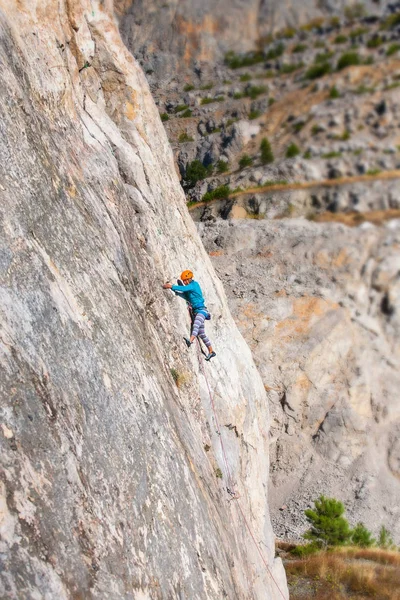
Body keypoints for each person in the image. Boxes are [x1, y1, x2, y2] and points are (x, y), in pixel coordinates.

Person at [163, 270, 216, 361]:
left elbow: (183, 289)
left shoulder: (194, 285)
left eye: (185, 280)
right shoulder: (190, 288)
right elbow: (185, 294)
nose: (184, 282)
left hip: (201, 311)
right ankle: (211, 351)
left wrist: (171, 286)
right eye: (183, 281)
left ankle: (190, 340)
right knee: (201, 333)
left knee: (196, 325)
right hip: (197, 311)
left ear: (190, 279)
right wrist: (172, 288)